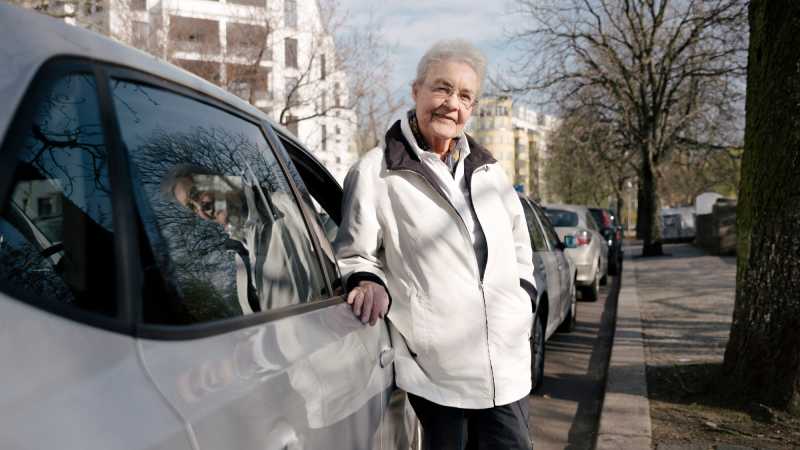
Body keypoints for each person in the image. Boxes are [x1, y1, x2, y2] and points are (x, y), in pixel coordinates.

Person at [334, 39, 537, 449]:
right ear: (416, 91)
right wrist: (366, 280)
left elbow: (520, 248)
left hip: (507, 369)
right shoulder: (376, 172)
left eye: (464, 96)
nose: (451, 104)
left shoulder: (491, 173)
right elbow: (356, 252)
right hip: (438, 378)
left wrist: (524, 300)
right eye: (442, 88)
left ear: (472, 109)